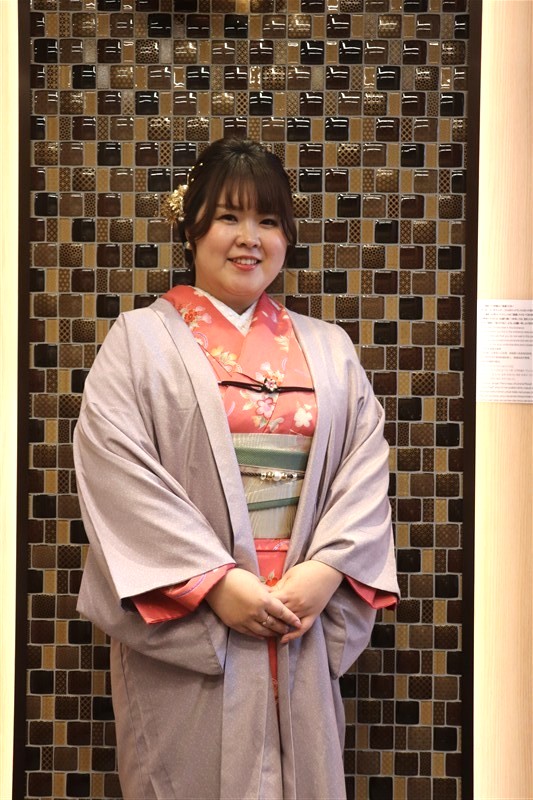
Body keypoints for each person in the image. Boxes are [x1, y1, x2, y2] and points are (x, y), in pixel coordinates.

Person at [73, 137, 400, 800]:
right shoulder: (137, 341)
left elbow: (365, 470)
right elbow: (116, 472)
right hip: (193, 618)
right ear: (191, 226)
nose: (249, 238)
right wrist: (217, 584)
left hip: (299, 616)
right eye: (228, 216)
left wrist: (326, 571)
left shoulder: (330, 349)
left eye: (268, 220)